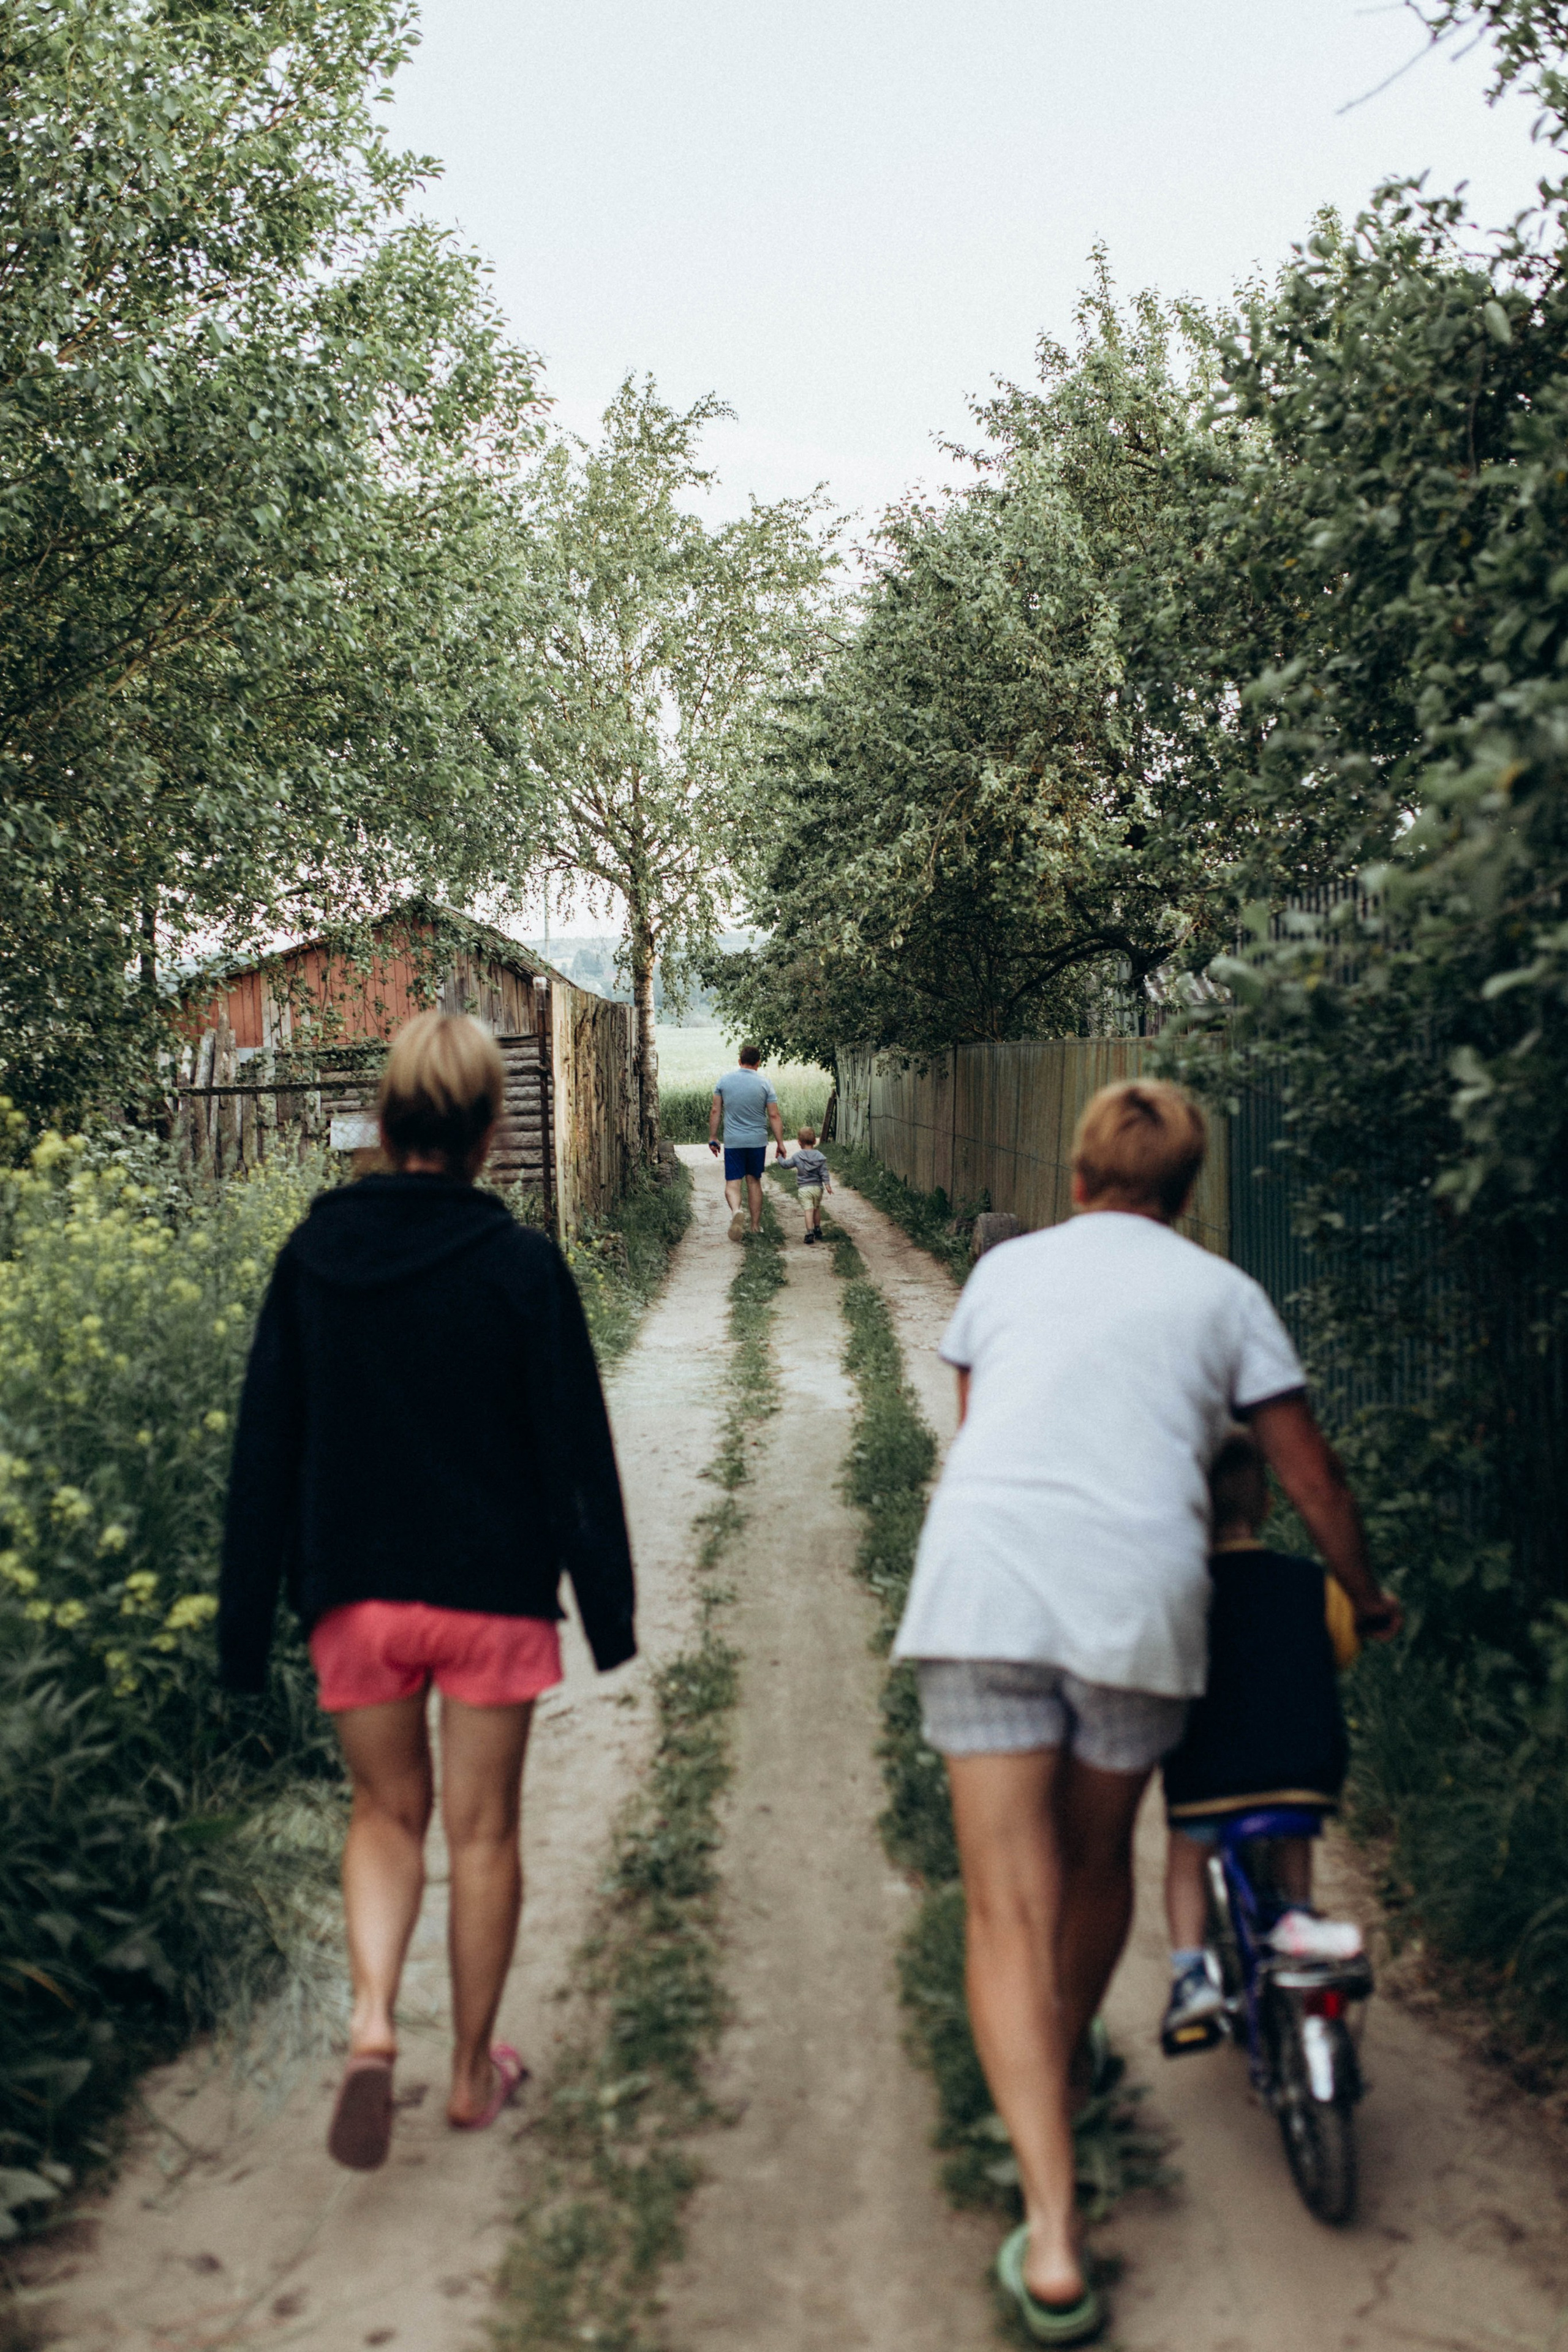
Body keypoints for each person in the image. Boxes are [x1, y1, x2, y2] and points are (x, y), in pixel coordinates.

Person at [892, 1079, 1400, 2345]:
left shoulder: (1005, 1277)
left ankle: (1051, 2228)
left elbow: (984, 1438)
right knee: (1092, 1862)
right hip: (1135, 1609)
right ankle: (1054, 2071)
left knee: (1006, 1907)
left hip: (986, 1589)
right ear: (1185, 1196)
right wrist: (1362, 1592)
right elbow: (1306, 1474)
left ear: (1074, 1180)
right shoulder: (1223, 1295)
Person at [218, 1011, 635, 2173]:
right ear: (491, 1129)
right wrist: (608, 1608)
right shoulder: (519, 1265)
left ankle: (368, 2025)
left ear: (391, 1117)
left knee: (385, 1816)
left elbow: (267, 1448)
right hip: (493, 1594)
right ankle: (466, 2076)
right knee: (485, 1831)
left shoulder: (313, 1257)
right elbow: (574, 1449)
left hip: (356, 1592)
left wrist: (244, 1627)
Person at [1159, 1430, 1366, 2052]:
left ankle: (1191, 1974)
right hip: (1304, 1766)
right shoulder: (1309, 1581)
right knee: (1293, 1827)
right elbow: (1342, 1650)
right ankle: (1296, 1915)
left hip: (1210, 1775)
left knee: (1185, 1858)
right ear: (1269, 1502)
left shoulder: (1179, 1594)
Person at [707, 1041, 786, 1242]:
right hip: (757, 1141)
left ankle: (736, 1212)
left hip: (734, 1142)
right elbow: (774, 1115)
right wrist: (780, 1143)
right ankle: (754, 1226)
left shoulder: (724, 1082)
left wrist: (713, 1138)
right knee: (753, 1181)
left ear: (740, 1061)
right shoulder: (765, 1083)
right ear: (758, 1063)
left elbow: (716, 1111)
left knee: (733, 1183)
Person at [777, 1125, 832, 1243]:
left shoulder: (798, 1156)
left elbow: (786, 1165)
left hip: (804, 1189)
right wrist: (827, 1184)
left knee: (808, 1210)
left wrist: (780, 1158)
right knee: (816, 1208)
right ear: (815, 1141)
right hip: (817, 1188)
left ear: (799, 1142)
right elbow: (824, 1172)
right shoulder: (820, 1156)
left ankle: (810, 1233)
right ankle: (818, 1229)